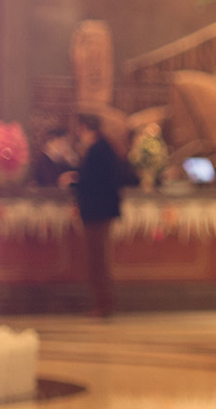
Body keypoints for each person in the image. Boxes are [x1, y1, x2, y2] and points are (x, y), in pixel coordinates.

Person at [61, 114, 135, 317]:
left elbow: (92, 182)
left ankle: (104, 305)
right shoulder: (105, 148)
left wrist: (74, 182)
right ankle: (104, 304)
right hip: (102, 211)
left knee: (97, 260)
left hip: (96, 212)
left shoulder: (97, 149)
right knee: (100, 259)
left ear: (84, 128)